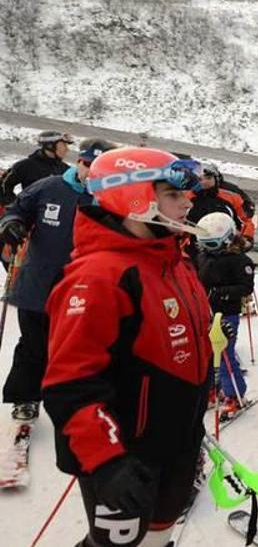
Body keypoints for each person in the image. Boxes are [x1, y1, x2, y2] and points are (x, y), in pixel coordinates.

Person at [42, 147, 211, 546]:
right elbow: (70, 384)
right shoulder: (100, 276)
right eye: (173, 193)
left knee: (157, 540)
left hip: (176, 446)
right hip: (126, 458)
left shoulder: (174, 261)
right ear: (134, 197)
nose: (188, 201)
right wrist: (106, 463)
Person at [0, 139, 113, 422]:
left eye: (98, 168)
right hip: (38, 282)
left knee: (76, 349)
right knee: (33, 345)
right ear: (79, 162)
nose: (90, 172)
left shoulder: (110, 199)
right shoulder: (50, 186)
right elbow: (18, 209)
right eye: (87, 164)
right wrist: (11, 224)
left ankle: (72, 400)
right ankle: (25, 398)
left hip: (82, 287)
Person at [194, 212, 255, 416]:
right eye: (204, 245)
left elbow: (246, 287)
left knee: (224, 352)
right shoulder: (203, 257)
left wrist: (220, 293)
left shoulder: (239, 260)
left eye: (212, 245)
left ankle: (235, 394)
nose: (207, 249)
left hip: (226, 313)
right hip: (205, 312)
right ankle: (211, 389)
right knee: (205, 352)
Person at [0, 130, 73, 207]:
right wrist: (13, 204)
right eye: (63, 145)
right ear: (50, 146)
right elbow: (4, 184)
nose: (67, 149)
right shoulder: (26, 165)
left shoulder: (65, 169)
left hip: (53, 214)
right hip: (28, 214)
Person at [186, 163, 255, 241]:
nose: (204, 182)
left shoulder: (232, 198)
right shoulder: (186, 198)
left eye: (208, 178)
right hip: (191, 243)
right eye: (200, 179)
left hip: (225, 245)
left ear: (216, 180)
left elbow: (246, 221)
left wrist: (246, 238)